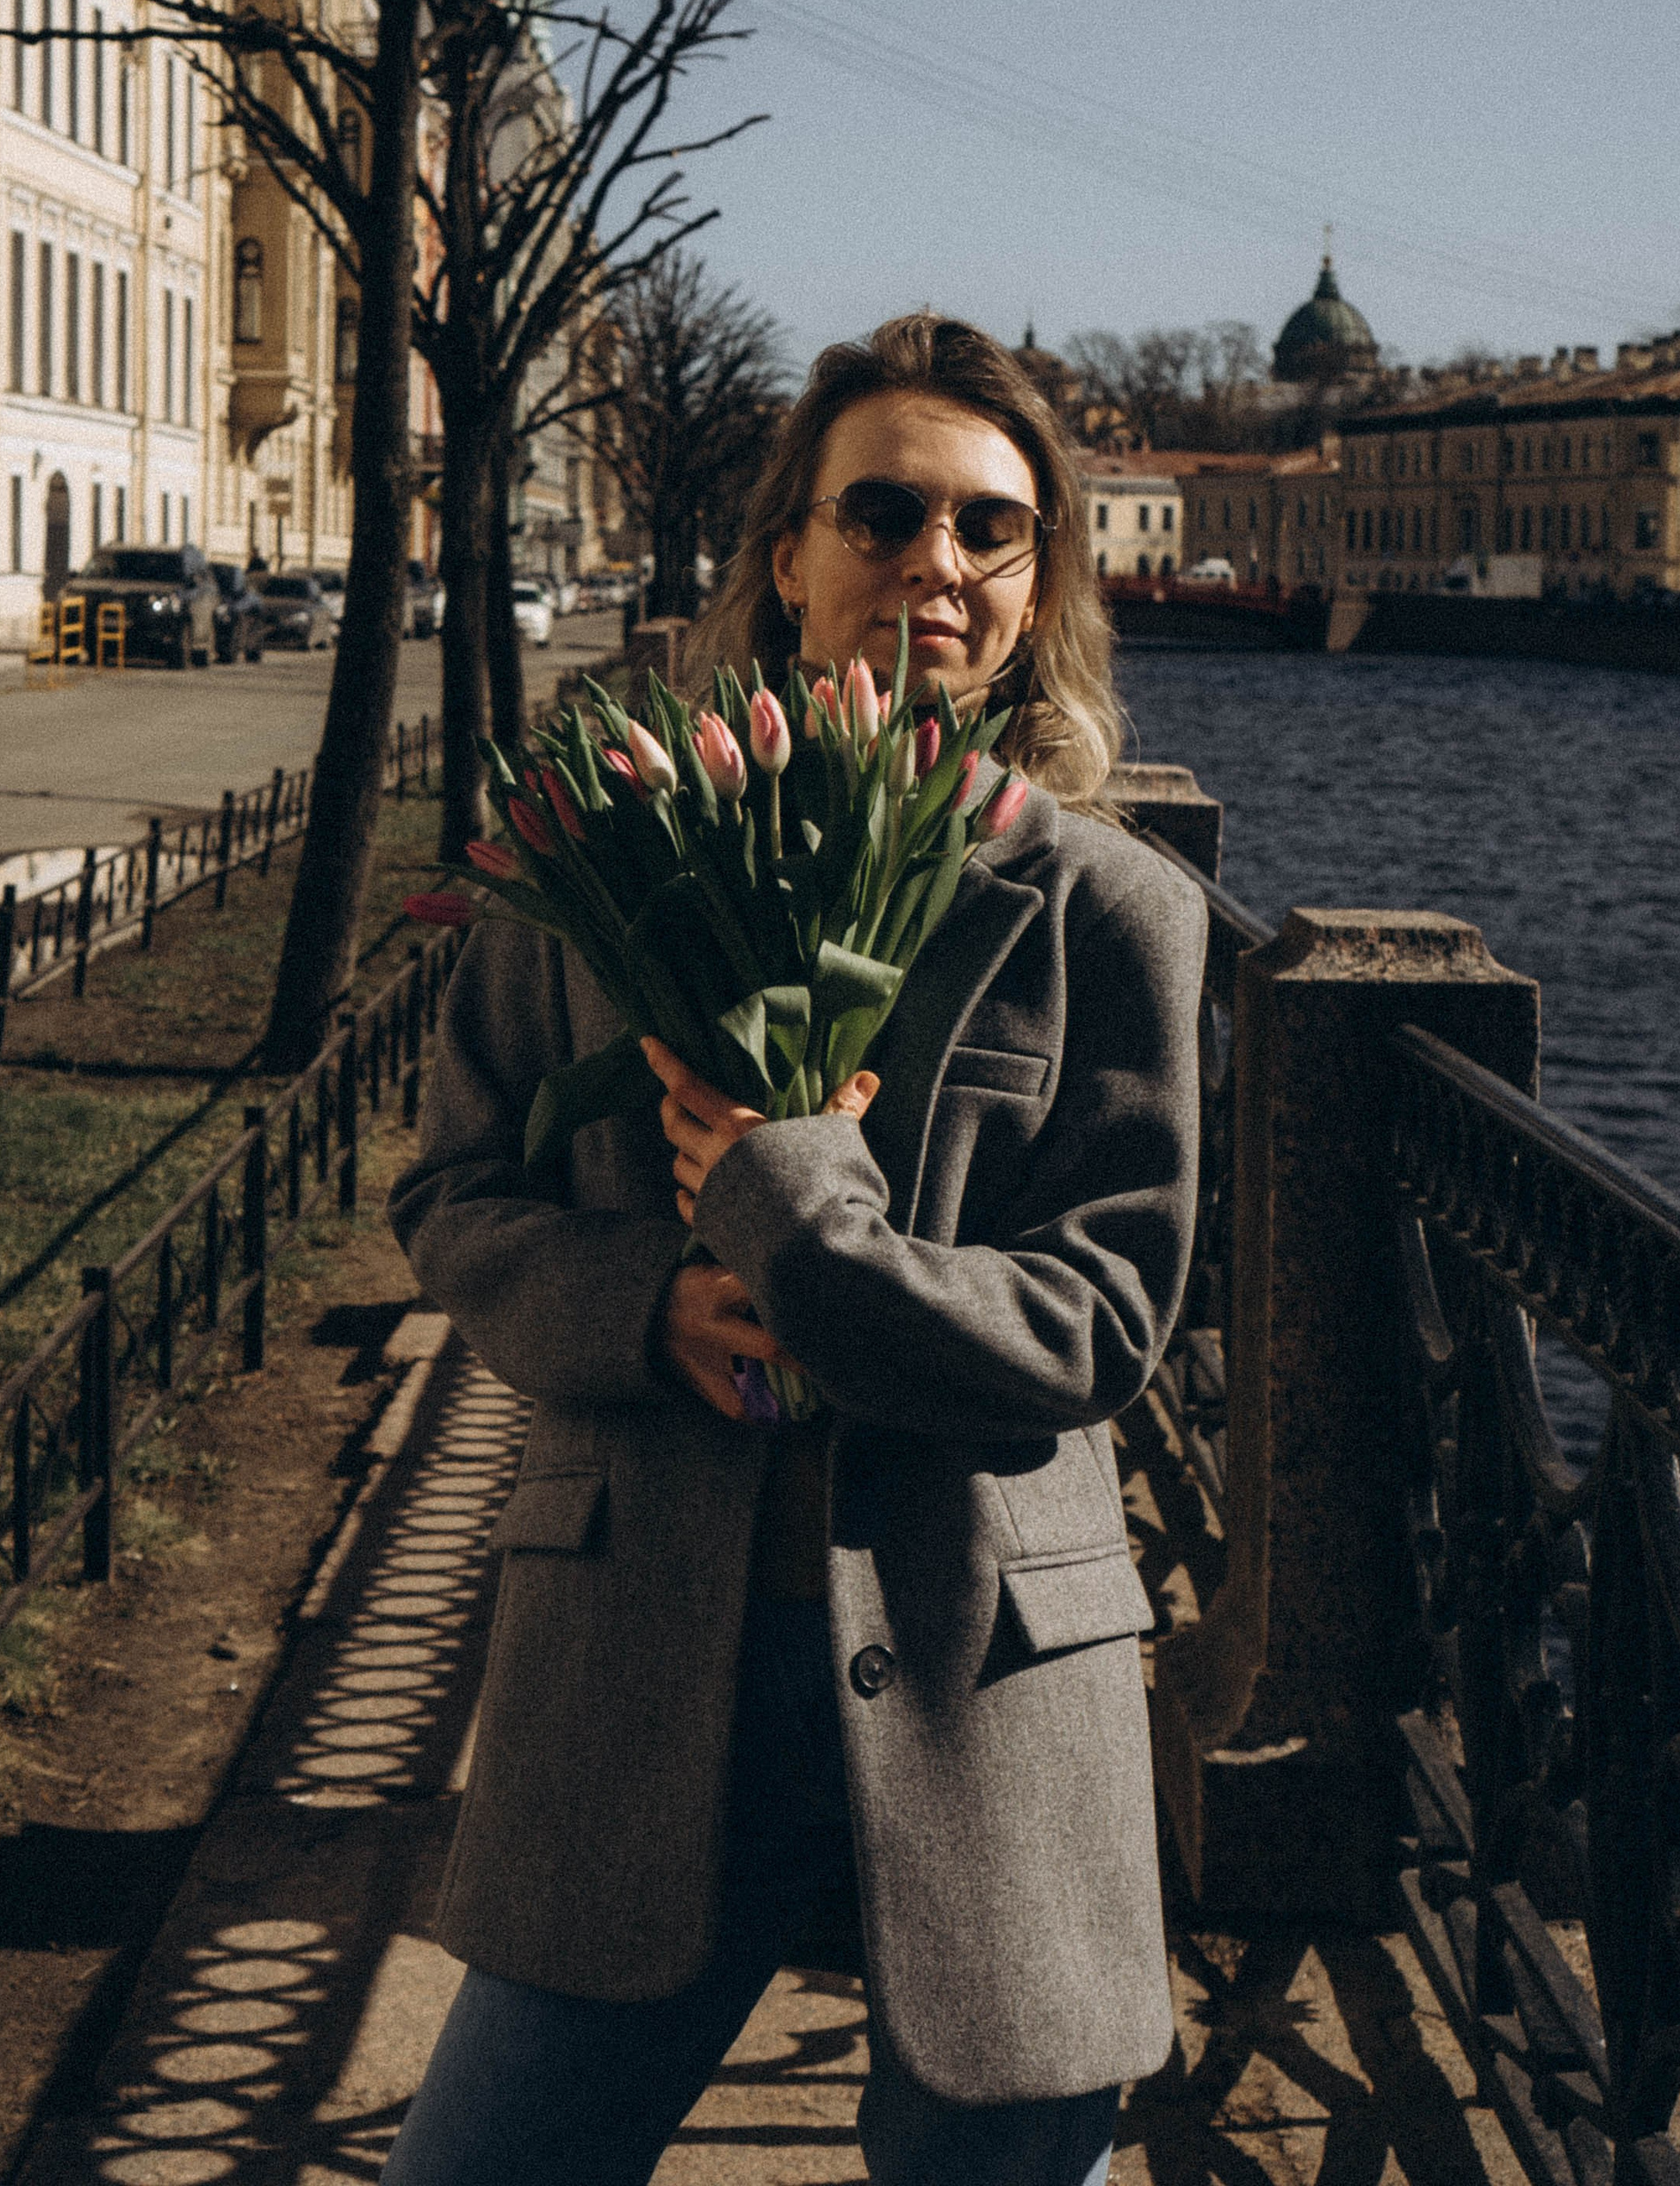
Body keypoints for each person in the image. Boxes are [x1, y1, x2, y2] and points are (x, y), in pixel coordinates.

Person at [385, 312, 1205, 2186]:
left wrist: (794, 1203)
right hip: (639, 1657)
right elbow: (449, 1195)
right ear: (788, 554)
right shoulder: (603, 854)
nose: (937, 562)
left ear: (1035, 581)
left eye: (992, 529)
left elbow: (1100, 1324)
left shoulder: (1109, 913)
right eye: (884, 511)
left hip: (978, 1672)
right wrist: (638, 1308)